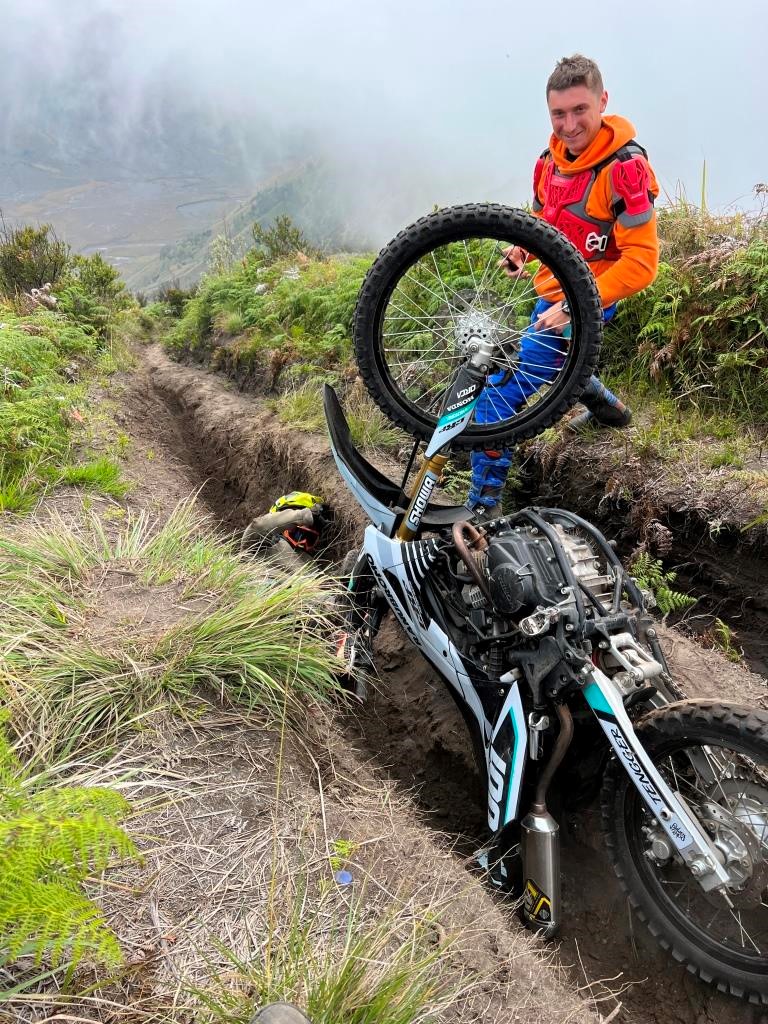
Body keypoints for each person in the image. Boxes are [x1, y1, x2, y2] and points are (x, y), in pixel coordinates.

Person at [467, 53, 659, 519]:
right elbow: (543, 223)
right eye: (558, 113)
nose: (569, 125)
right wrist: (521, 250)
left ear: (602, 101)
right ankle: (610, 409)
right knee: (562, 365)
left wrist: (578, 307)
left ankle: (480, 513)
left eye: (580, 111)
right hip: (550, 295)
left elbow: (643, 262)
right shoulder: (547, 162)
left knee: (494, 400)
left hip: (590, 298)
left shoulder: (624, 170)